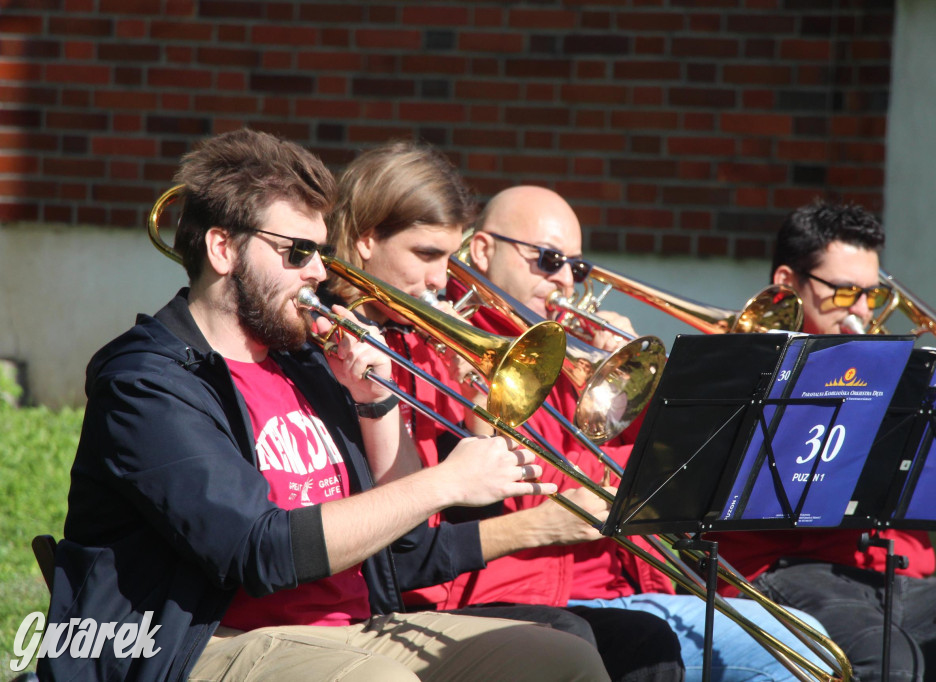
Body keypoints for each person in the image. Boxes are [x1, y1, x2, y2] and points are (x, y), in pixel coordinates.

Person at [37, 129, 613, 682]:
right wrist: (447, 483)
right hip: (205, 644)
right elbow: (259, 552)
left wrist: (376, 403)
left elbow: (405, 541)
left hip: (355, 628)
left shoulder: (307, 361)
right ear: (222, 249)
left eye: (321, 251)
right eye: (298, 252)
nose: (319, 270)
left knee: (563, 659)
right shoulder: (148, 381)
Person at [324, 140, 686, 682]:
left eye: (447, 259)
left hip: (489, 575)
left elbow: (506, 469)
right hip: (416, 591)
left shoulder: (437, 336)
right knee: (573, 642)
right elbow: (414, 529)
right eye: (426, 256)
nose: (441, 281)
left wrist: (480, 398)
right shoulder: (345, 346)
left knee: (647, 643)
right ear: (365, 240)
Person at [456, 185, 837, 682]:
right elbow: (532, 483)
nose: (566, 282)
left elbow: (655, 472)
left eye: (578, 267)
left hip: (621, 586)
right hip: (537, 597)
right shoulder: (463, 348)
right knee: (792, 652)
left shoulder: (574, 353)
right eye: (549, 260)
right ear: (484, 251)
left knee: (809, 641)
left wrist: (631, 384)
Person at [711, 200, 936, 682]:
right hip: (784, 569)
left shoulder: (889, 377)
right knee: (889, 662)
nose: (860, 311)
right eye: (843, 293)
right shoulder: (741, 367)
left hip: (886, 576)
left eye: (871, 296)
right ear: (786, 284)